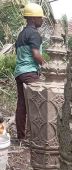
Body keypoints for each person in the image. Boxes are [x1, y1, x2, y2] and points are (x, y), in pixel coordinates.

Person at [14, 3, 45, 142]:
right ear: (33, 19)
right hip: (30, 73)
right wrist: (47, 65)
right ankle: (35, 137)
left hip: (19, 73)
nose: (42, 20)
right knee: (37, 104)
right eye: (40, 17)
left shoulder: (21, 34)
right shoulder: (34, 33)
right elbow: (36, 54)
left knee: (22, 104)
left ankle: (21, 137)